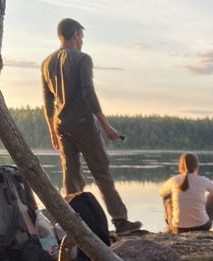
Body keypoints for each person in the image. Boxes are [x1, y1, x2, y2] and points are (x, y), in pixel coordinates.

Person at [41, 18, 142, 236]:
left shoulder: (46, 62)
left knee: (71, 172)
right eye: (82, 37)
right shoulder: (82, 59)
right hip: (83, 123)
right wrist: (106, 125)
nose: (82, 41)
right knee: (101, 171)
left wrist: (52, 130)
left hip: (61, 125)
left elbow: (47, 101)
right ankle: (120, 221)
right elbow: (88, 92)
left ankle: (74, 222)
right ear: (76, 34)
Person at [159, 153, 213, 233]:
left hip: (178, 228)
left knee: (167, 196)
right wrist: (205, 198)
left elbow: (161, 193)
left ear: (180, 167)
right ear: (197, 166)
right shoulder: (203, 180)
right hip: (203, 226)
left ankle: (168, 226)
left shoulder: (173, 180)